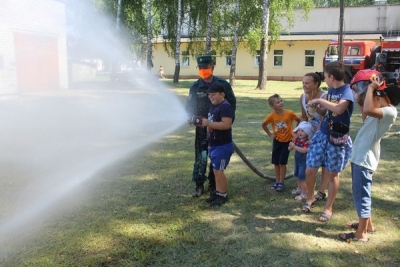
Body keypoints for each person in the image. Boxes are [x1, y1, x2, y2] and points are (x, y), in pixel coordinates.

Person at [339, 70, 397, 242]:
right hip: (360, 158)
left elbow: (369, 108)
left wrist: (371, 87)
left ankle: (361, 234)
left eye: (371, 94)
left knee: (361, 196)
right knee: (361, 193)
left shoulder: (389, 112)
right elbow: (366, 113)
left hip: (364, 160)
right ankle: (367, 226)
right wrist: (363, 97)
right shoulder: (377, 111)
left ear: (380, 94)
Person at [302, 61, 354, 222]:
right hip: (322, 134)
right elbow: (326, 112)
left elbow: (339, 109)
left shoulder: (347, 92)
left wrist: (320, 101)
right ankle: (310, 198)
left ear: (332, 77)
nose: (324, 80)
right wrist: (315, 106)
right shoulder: (332, 90)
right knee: (310, 169)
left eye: (325, 77)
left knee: (332, 174)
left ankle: (328, 207)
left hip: (337, 138)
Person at [186, 55, 236, 198]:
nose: (203, 70)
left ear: (212, 67)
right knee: (201, 156)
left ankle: (215, 186)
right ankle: (199, 184)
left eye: (205, 68)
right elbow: (189, 106)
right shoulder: (195, 87)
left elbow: (231, 104)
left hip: (218, 130)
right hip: (202, 129)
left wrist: (224, 124)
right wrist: (190, 118)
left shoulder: (223, 85)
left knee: (216, 157)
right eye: (200, 68)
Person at [199, 83, 234, 206]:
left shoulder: (225, 107)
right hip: (214, 145)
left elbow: (226, 125)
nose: (211, 97)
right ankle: (218, 193)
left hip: (222, 146)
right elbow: (212, 120)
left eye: (213, 94)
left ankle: (222, 195)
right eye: (209, 95)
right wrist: (200, 121)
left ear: (222, 94)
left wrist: (208, 123)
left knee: (219, 171)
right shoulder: (214, 105)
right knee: (216, 171)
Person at [299, 73, 329, 202]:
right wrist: (299, 132)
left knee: (324, 162)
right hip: (309, 131)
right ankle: (306, 190)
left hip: (323, 132)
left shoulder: (324, 97)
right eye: (303, 83)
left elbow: (323, 120)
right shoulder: (302, 97)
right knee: (310, 162)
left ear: (316, 84)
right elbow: (304, 117)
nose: (304, 85)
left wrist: (314, 137)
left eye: (307, 83)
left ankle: (321, 191)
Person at [262, 94, 300, 192]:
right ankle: (277, 181)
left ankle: (281, 182)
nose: (281, 103)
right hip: (277, 141)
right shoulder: (271, 116)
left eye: (281, 101)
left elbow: (298, 120)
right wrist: (270, 134)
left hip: (287, 142)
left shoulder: (289, 113)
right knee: (276, 162)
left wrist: (295, 132)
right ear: (272, 106)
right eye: (278, 102)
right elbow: (264, 124)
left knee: (282, 162)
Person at [289, 121, 314, 200]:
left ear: (308, 133)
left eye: (302, 131)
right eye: (299, 130)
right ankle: (299, 189)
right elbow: (290, 148)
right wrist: (290, 147)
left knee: (302, 178)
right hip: (297, 160)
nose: (299, 132)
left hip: (304, 162)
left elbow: (304, 151)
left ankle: (304, 193)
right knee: (298, 176)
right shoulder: (297, 140)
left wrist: (294, 147)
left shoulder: (307, 142)